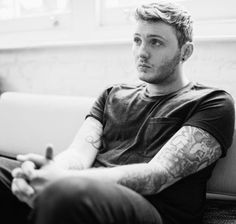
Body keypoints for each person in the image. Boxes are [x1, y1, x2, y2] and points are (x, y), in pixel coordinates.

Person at [0, 1, 235, 224]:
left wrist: (64, 180)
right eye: (137, 40)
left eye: (155, 42)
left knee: (66, 193)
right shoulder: (113, 94)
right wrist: (47, 171)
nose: (142, 52)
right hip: (83, 189)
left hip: (152, 209)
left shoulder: (211, 102)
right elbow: (79, 155)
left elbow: (157, 175)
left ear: (186, 51)